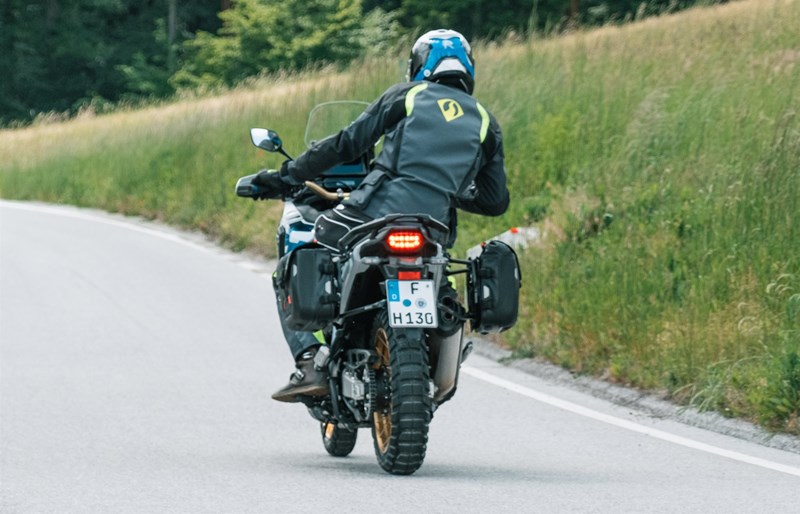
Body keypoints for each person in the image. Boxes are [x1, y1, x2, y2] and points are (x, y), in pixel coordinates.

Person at [253, 29, 510, 403]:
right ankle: (443, 351)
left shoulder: (407, 96)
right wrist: (447, 191)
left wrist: (287, 175)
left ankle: (310, 360)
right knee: (445, 295)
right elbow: (493, 200)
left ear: (419, 65)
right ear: (469, 68)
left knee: (300, 253)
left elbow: (347, 143)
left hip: (370, 213)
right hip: (433, 229)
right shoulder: (486, 121)